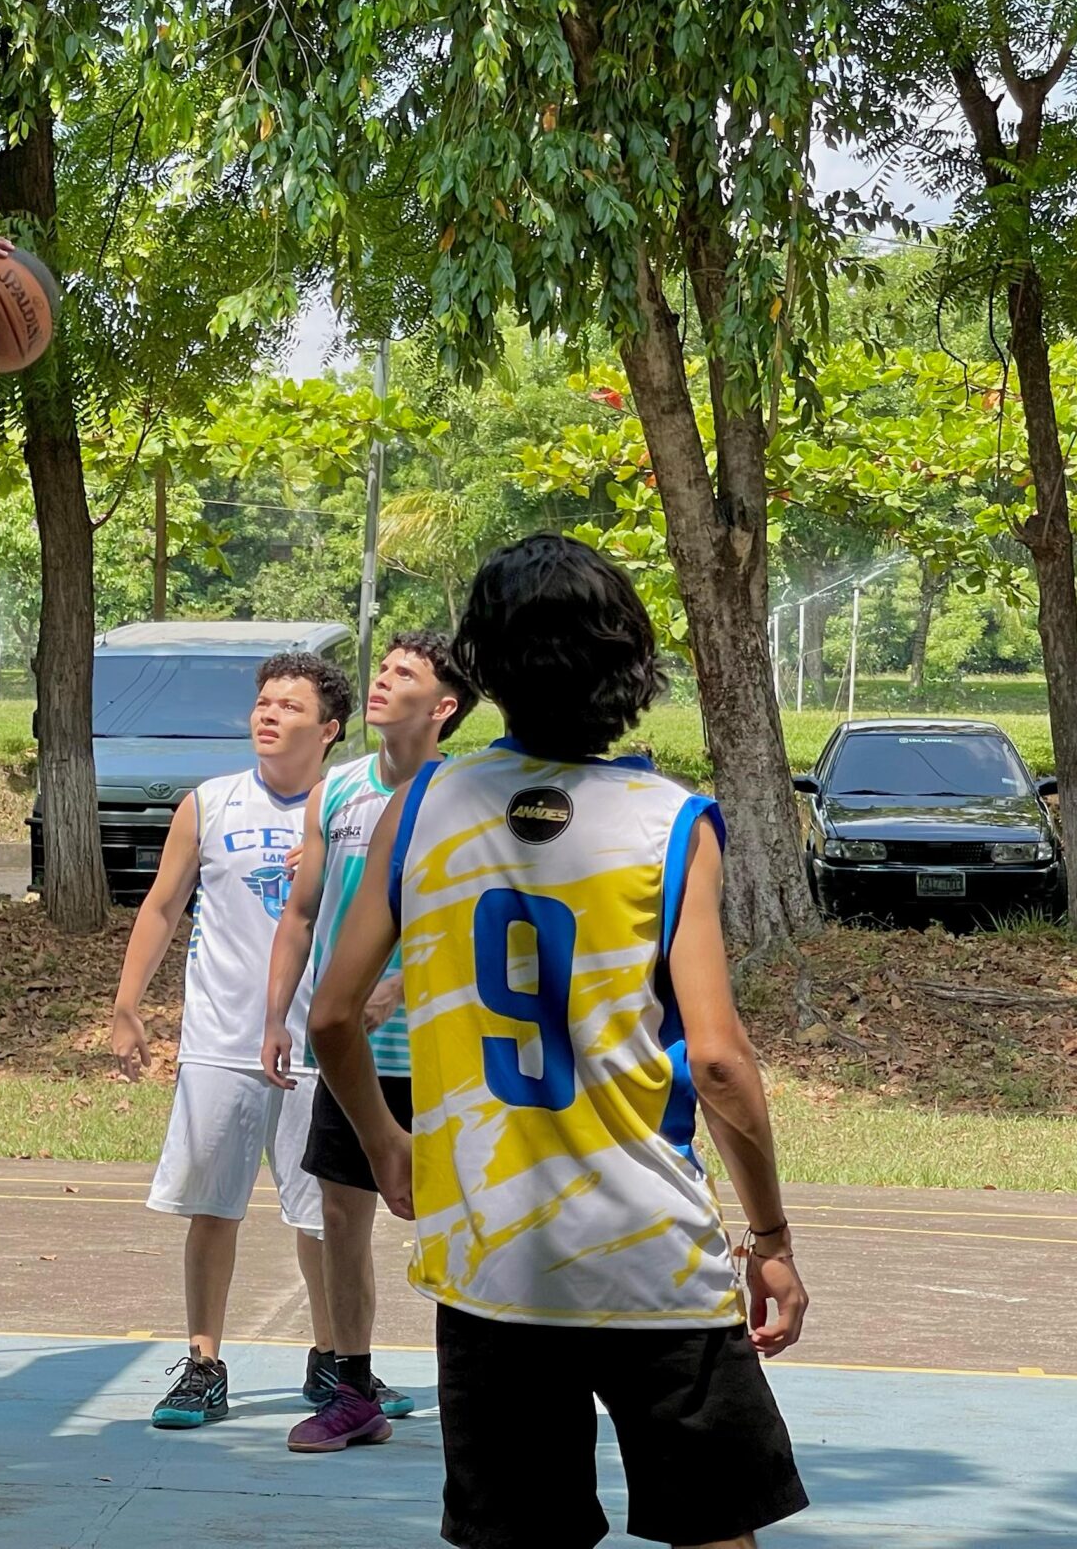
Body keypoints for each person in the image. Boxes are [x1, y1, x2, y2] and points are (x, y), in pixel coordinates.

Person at [310, 535, 810, 1549]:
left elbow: (330, 1015)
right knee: (716, 1530)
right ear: (629, 660)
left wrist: (383, 1142)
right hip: (652, 1254)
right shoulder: (669, 823)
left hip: (496, 1255)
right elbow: (715, 1060)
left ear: (480, 668)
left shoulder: (419, 810)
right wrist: (769, 1239)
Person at [110, 651, 349, 1429]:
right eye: (263, 703)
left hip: (320, 1045)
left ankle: (336, 1361)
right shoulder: (210, 804)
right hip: (222, 1038)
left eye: (289, 706)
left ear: (330, 729)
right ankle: (204, 1364)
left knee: (323, 1217)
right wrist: (127, 1003)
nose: (268, 715)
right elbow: (160, 906)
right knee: (213, 1206)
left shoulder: (349, 810)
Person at [262, 630, 475, 1452]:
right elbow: (303, 913)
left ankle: (480, 1393)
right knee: (343, 1221)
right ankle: (353, 1391)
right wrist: (279, 1015)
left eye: (404, 674)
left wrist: (402, 984)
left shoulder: (468, 795)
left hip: (447, 1053)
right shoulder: (336, 791)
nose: (381, 682)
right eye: (381, 669)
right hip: (351, 1056)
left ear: (444, 705)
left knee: (461, 1229)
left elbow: (479, 925)